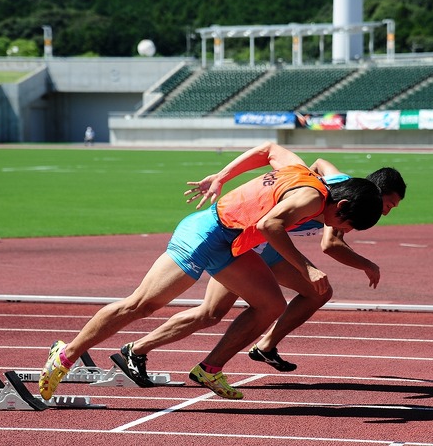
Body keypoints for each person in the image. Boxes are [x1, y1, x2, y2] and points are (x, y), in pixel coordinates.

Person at [39, 142, 383, 400]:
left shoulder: (304, 173)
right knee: (141, 305)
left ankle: (210, 369)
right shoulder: (311, 197)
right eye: (347, 225)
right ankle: (65, 355)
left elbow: (270, 149)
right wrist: (307, 268)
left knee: (271, 306)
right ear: (341, 206)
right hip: (205, 234)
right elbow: (269, 225)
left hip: (233, 245)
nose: (343, 232)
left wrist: (223, 175)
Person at [116, 163, 405, 389]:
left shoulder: (347, 194)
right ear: (373, 193)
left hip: (270, 247)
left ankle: (265, 346)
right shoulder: (344, 202)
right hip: (246, 243)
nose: (387, 213)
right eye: (388, 205)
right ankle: (136, 349)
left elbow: (319, 162)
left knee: (319, 292)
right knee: (211, 313)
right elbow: (330, 244)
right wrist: (368, 264)